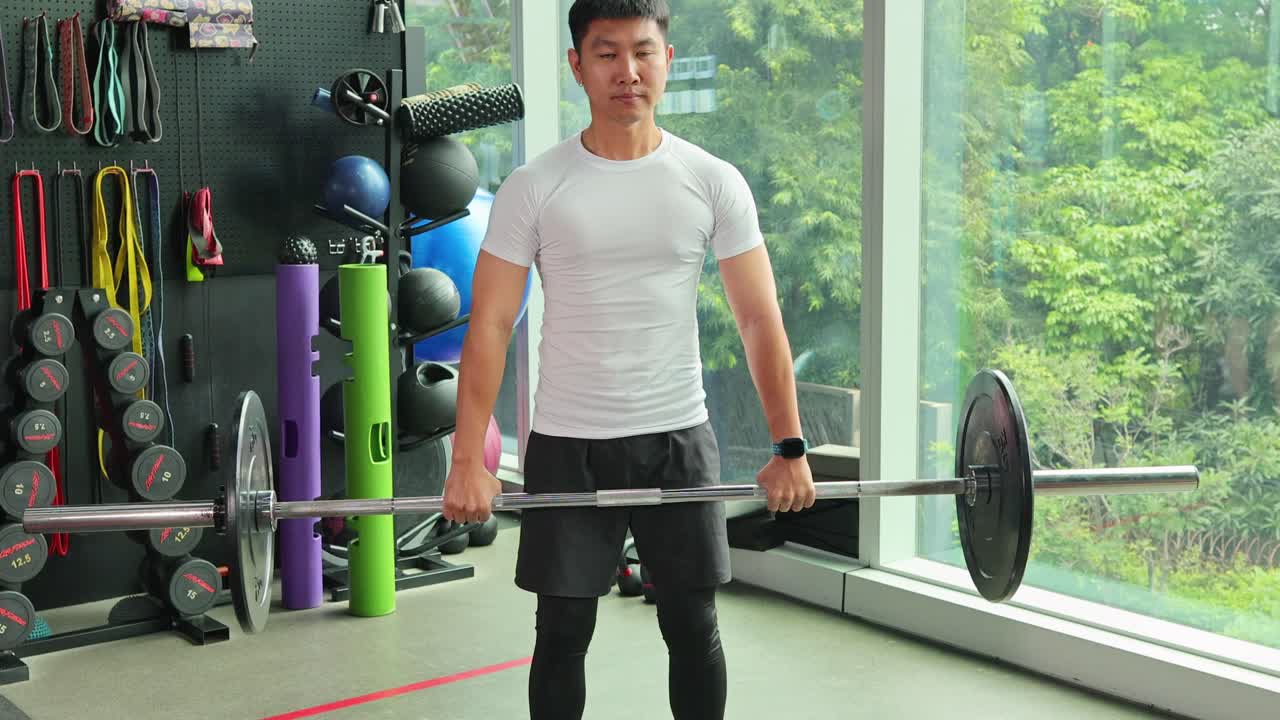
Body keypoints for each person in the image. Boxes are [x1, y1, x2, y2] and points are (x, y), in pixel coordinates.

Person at [441, 1, 816, 717]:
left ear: (668, 60)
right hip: (568, 439)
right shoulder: (536, 186)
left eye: (643, 51)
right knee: (563, 633)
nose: (628, 71)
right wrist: (467, 458)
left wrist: (789, 446)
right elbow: (489, 324)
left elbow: (758, 318)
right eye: (607, 53)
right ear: (577, 66)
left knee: (691, 624)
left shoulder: (713, 180)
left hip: (676, 434)